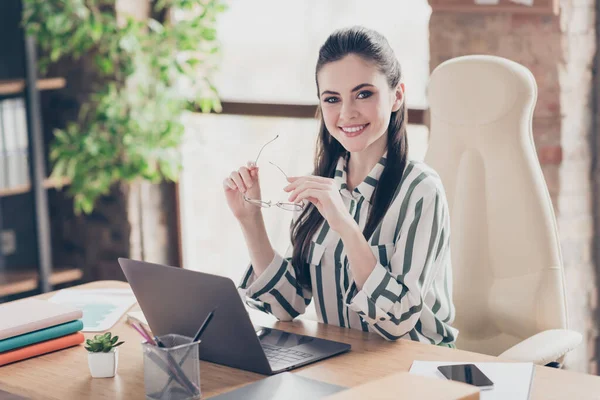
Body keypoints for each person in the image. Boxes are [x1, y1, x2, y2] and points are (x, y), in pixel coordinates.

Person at [223, 26, 457, 346]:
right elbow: (287, 305)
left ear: (397, 96)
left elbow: (398, 323)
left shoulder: (421, 191)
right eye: (332, 99)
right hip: (342, 363)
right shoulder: (320, 187)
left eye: (363, 93)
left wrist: (345, 225)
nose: (347, 113)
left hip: (415, 369)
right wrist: (249, 219)